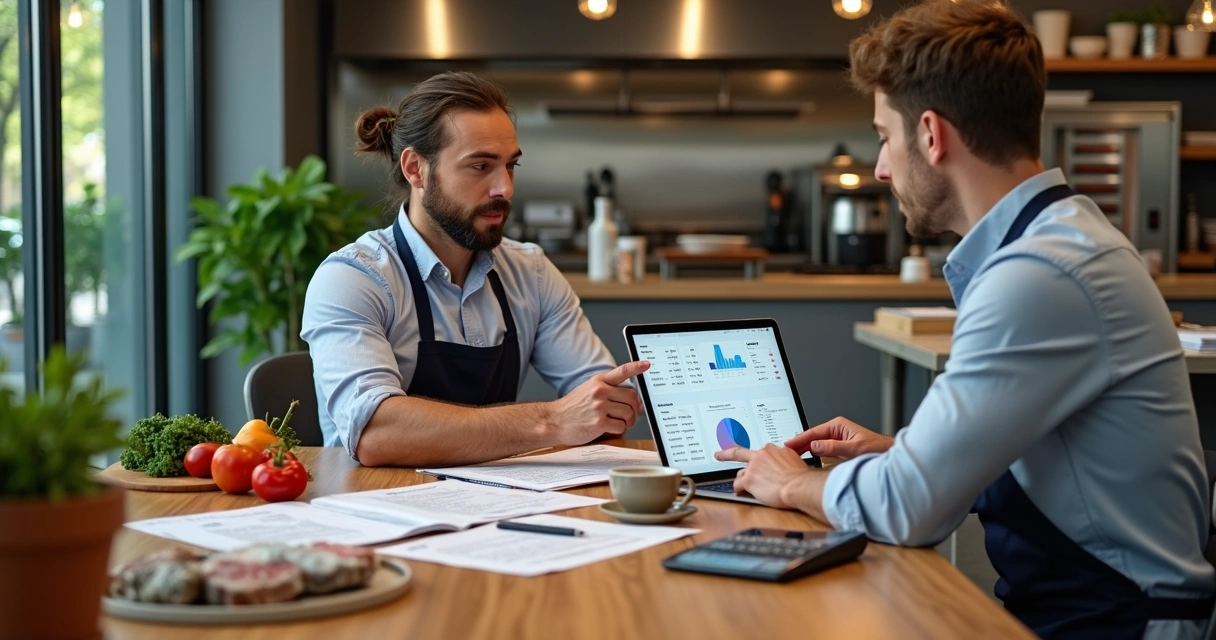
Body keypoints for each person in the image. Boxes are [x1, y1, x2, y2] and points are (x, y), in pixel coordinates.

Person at [715, 2, 1216, 638]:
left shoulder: (1039, 275)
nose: (881, 168)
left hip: (1115, 624)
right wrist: (902, 450)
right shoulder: (1058, 242)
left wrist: (789, 484)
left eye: (883, 136)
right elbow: (1042, 449)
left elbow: (910, 508)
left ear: (931, 134)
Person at [301, 71, 648, 468]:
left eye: (510, 166)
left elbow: (604, 406)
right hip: (381, 508)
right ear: (416, 168)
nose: (505, 188)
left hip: (501, 507)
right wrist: (551, 420)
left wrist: (601, 409)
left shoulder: (530, 273)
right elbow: (377, 434)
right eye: (480, 166)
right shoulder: (353, 278)